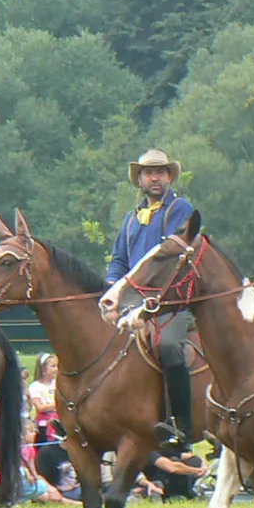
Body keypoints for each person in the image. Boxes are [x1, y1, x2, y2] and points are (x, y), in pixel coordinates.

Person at [105, 148, 196, 447]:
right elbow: (119, 260)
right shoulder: (131, 220)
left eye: (160, 172)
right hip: (132, 301)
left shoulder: (181, 210)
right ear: (140, 179)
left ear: (169, 177)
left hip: (171, 300)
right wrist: (111, 285)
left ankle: (181, 424)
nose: (154, 178)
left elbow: (171, 256)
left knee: (168, 346)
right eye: (148, 173)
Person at [28, 353, 59, 446]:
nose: (56, 369)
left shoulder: (57, 384)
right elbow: (40, 407)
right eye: (53, 366)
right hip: (43, 425)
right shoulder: (35, 386)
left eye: (56, 366)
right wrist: (56, 404)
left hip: (58, 423)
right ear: (44, 369)